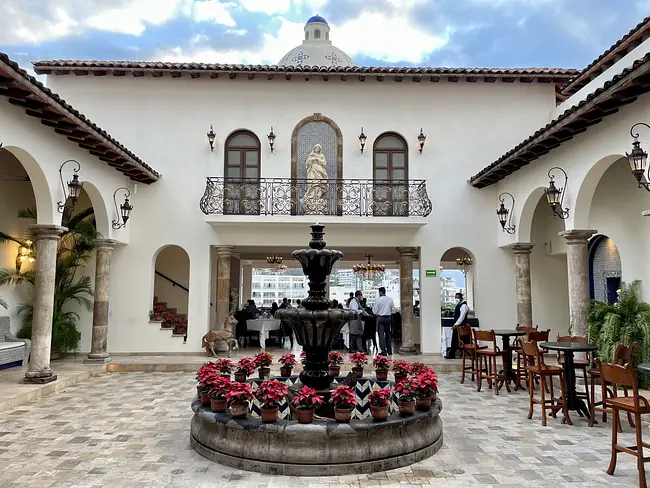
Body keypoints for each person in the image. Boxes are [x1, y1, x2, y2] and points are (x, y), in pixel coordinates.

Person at [445, 292, 470, 359]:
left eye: (458, 297)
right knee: (455, 340)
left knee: (456, 340)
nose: (456, 299)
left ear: (461, 297)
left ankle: (452, 354)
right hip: (458, 325)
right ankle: (452, 354)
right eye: (456, 297)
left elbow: (462, 316)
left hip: (460, 326)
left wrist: (456, 324)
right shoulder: (459, 305)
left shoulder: (464, 306)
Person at [372, 287, 395, 356]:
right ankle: (389, 351)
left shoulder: (378, 300)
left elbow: (374, 311)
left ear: (380, 292)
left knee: (381, 335)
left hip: (380, 318)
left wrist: (379, 312)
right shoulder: (390, 300)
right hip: (388, 318)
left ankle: (383, 351)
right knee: (388, 334)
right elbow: (393, 311)